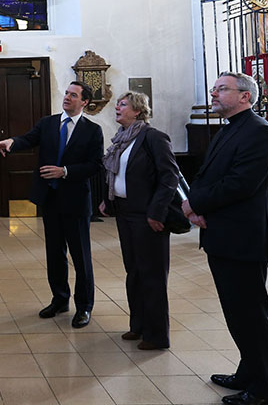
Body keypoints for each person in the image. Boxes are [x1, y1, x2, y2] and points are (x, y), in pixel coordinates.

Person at [182, 72, 268, 405]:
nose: (213, 93)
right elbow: (208, 174)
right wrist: (194, 206)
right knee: (237, 314)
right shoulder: (231, 128)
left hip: (245, 239)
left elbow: (241, 184)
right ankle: (248, 372)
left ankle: (266, 390)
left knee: (251, 316)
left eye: (221, 89)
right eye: (214, 88)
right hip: (225, 235)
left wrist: (194, 203)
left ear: (245, 96)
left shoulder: (259, 132)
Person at [0, 81, 104, 328]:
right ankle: (60, 300)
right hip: (50, 201)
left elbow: (95, 166)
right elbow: (28, 139)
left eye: (73, 95)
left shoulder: (92, 130)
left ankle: (84, 307)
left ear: (84, 102)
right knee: (54, 254)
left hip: (75, 202)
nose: (67, 98)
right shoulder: (48, 123)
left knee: (81, 257)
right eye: (66, 93)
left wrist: (64, 171)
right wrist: (10, 142)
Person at [98, 92, 179, 350]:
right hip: (125, 212)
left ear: (137, 110)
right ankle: (139, 326)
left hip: (148, 216)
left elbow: (170, 177)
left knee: (152, 274)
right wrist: (108, 201)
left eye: (122, 105)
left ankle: (157, 335)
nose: (117, 108)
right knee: (133, 272)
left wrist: (157, 212)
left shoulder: (153, 137)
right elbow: (116, 175)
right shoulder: (121, 139)